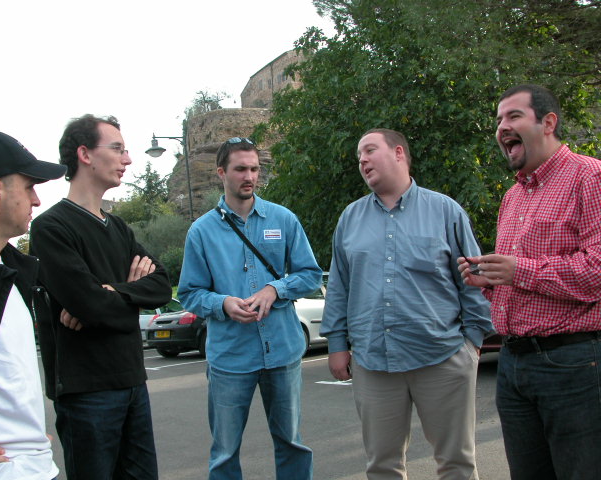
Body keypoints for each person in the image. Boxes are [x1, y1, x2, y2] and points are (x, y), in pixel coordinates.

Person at [321, 128, 492, 480]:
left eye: (370, 150)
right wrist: (337, 344)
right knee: (382, 467)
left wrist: (473, 342)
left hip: (442, 357)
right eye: (359, 156)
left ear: (399, 153)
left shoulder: (445, 210)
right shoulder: (350, 218)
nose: (362, 160)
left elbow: (473, 280)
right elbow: (339, 286)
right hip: (373, 362)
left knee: (457, 463)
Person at [458, 84, 601, 479]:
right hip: (513, 363)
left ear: (548, 122)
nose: (502, 127)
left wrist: (519, 270)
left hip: (573, 363)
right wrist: (489, 281)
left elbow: (596, 272)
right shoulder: (513, 197)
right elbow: (520, 280)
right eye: (498, 119)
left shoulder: (590, 177)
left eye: (514, 116)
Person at [29, 115, 172, 480]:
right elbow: (91, 305)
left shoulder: (119, 227)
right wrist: (116, 299)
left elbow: (162, 285)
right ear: (85, 154)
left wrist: (113, 292)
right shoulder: (50, 227)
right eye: (118, 148)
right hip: (86, 391)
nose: (128, 159)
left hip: (133, 381)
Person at [178, 137, 322, 479]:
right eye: (241, 169)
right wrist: (223, 303)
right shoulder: (201, 231)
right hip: (230, 357)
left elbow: (311, 275)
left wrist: (276, 288)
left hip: (282, 351)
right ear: (221, 172)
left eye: (255, 169)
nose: (250, 177)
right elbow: (189, 293)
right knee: (225, 452)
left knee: (291, 442)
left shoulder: (283, 219)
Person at [0, 129, 66, 479]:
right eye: (29, 186)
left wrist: (27, 435)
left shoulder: (8, 272)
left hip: (33, 467)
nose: (36, 200)